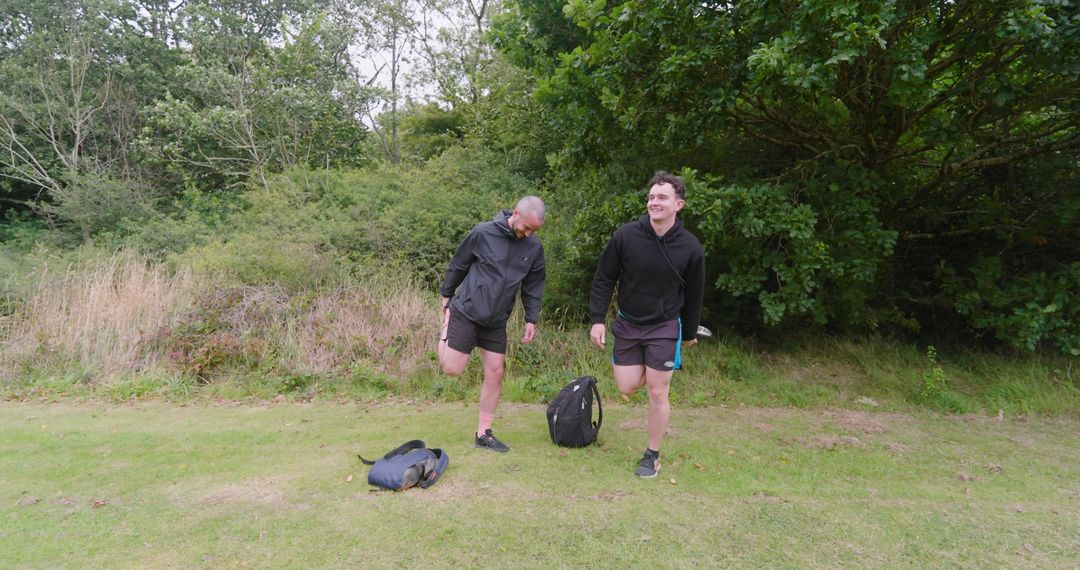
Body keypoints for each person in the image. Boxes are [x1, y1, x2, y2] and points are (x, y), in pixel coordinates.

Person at [588, 171, 705, 478]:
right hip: (628, 323)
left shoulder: (691, 247)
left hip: (665, 326)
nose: (654, 202)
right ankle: (652, 373)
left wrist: (689, 333)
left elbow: (694, 294)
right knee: (627, 387)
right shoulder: (626, 236)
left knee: (657, 392)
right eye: (651, 197)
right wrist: (597, 320)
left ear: (678, 204)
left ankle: (652, 454)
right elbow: (604, 278)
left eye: (662, 197)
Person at [438, 196, 547, 453]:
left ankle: (483, 432)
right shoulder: (483, 233)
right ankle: (447, 324)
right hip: (466, 311)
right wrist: (447, 293)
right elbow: (460, 263)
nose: (528, 233)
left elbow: (533, 285)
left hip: (496, 320)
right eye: (527, 227)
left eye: (534, 230)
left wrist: (531, 318)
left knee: (496, 372)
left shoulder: (533, 247)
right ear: (516, 213)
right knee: (452, 369)